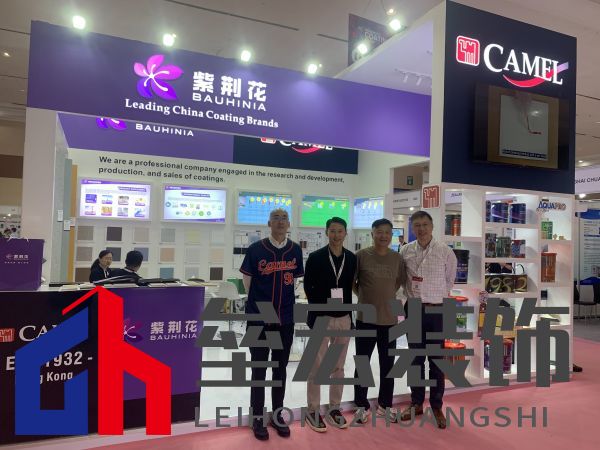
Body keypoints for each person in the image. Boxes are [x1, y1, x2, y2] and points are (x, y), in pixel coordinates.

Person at [240, 208, 304, 441]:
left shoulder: (295, 250)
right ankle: (257, 418)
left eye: (284, 218)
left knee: (279, 369)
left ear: (289, 223)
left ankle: (277, 416)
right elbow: (247, 283)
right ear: (269, 223)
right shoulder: (256, 249)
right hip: (259, 318)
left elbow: (295, 282)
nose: (280, 221)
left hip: (285, 318)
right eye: (276, 218)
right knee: (259, 369)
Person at [399, 211, 457, 429]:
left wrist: (435, 297)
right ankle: (416, 403)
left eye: (425, 224)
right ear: (412, 228)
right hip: (414, 309)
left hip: (437, 310)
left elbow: (450, 280)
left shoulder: (445, 251)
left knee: (436, 360)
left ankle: (436, 406)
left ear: (432, 227)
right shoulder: (405, 250)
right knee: (415, 359)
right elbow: (402, 280)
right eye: (417, 225)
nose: (421, 229)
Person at [302, 217, 357, 432]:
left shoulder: (351, 258)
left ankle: (334, 408)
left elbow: (351, 284)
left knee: (338, 367)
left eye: (340, 231)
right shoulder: (315, 257)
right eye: (332, 231)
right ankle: (313, 410)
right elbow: (308, 287)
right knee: (316, 366)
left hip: (343, 318)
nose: (336, 235)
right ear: (327, 232)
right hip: (321, 317)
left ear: (345, 233)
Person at [353, 218, 406, 423]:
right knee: (363, 363)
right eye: (379, 232)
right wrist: (365, 297)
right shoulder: (361, 256)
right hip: (365, 318)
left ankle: (385, 404)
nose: (383, 236)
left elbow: (398, 282)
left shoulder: (397, 258)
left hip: (389, 319)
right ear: (372, 233)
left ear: (391, 235)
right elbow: (353, 283)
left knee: (388, 365)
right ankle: (361, 405)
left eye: (387, 232)